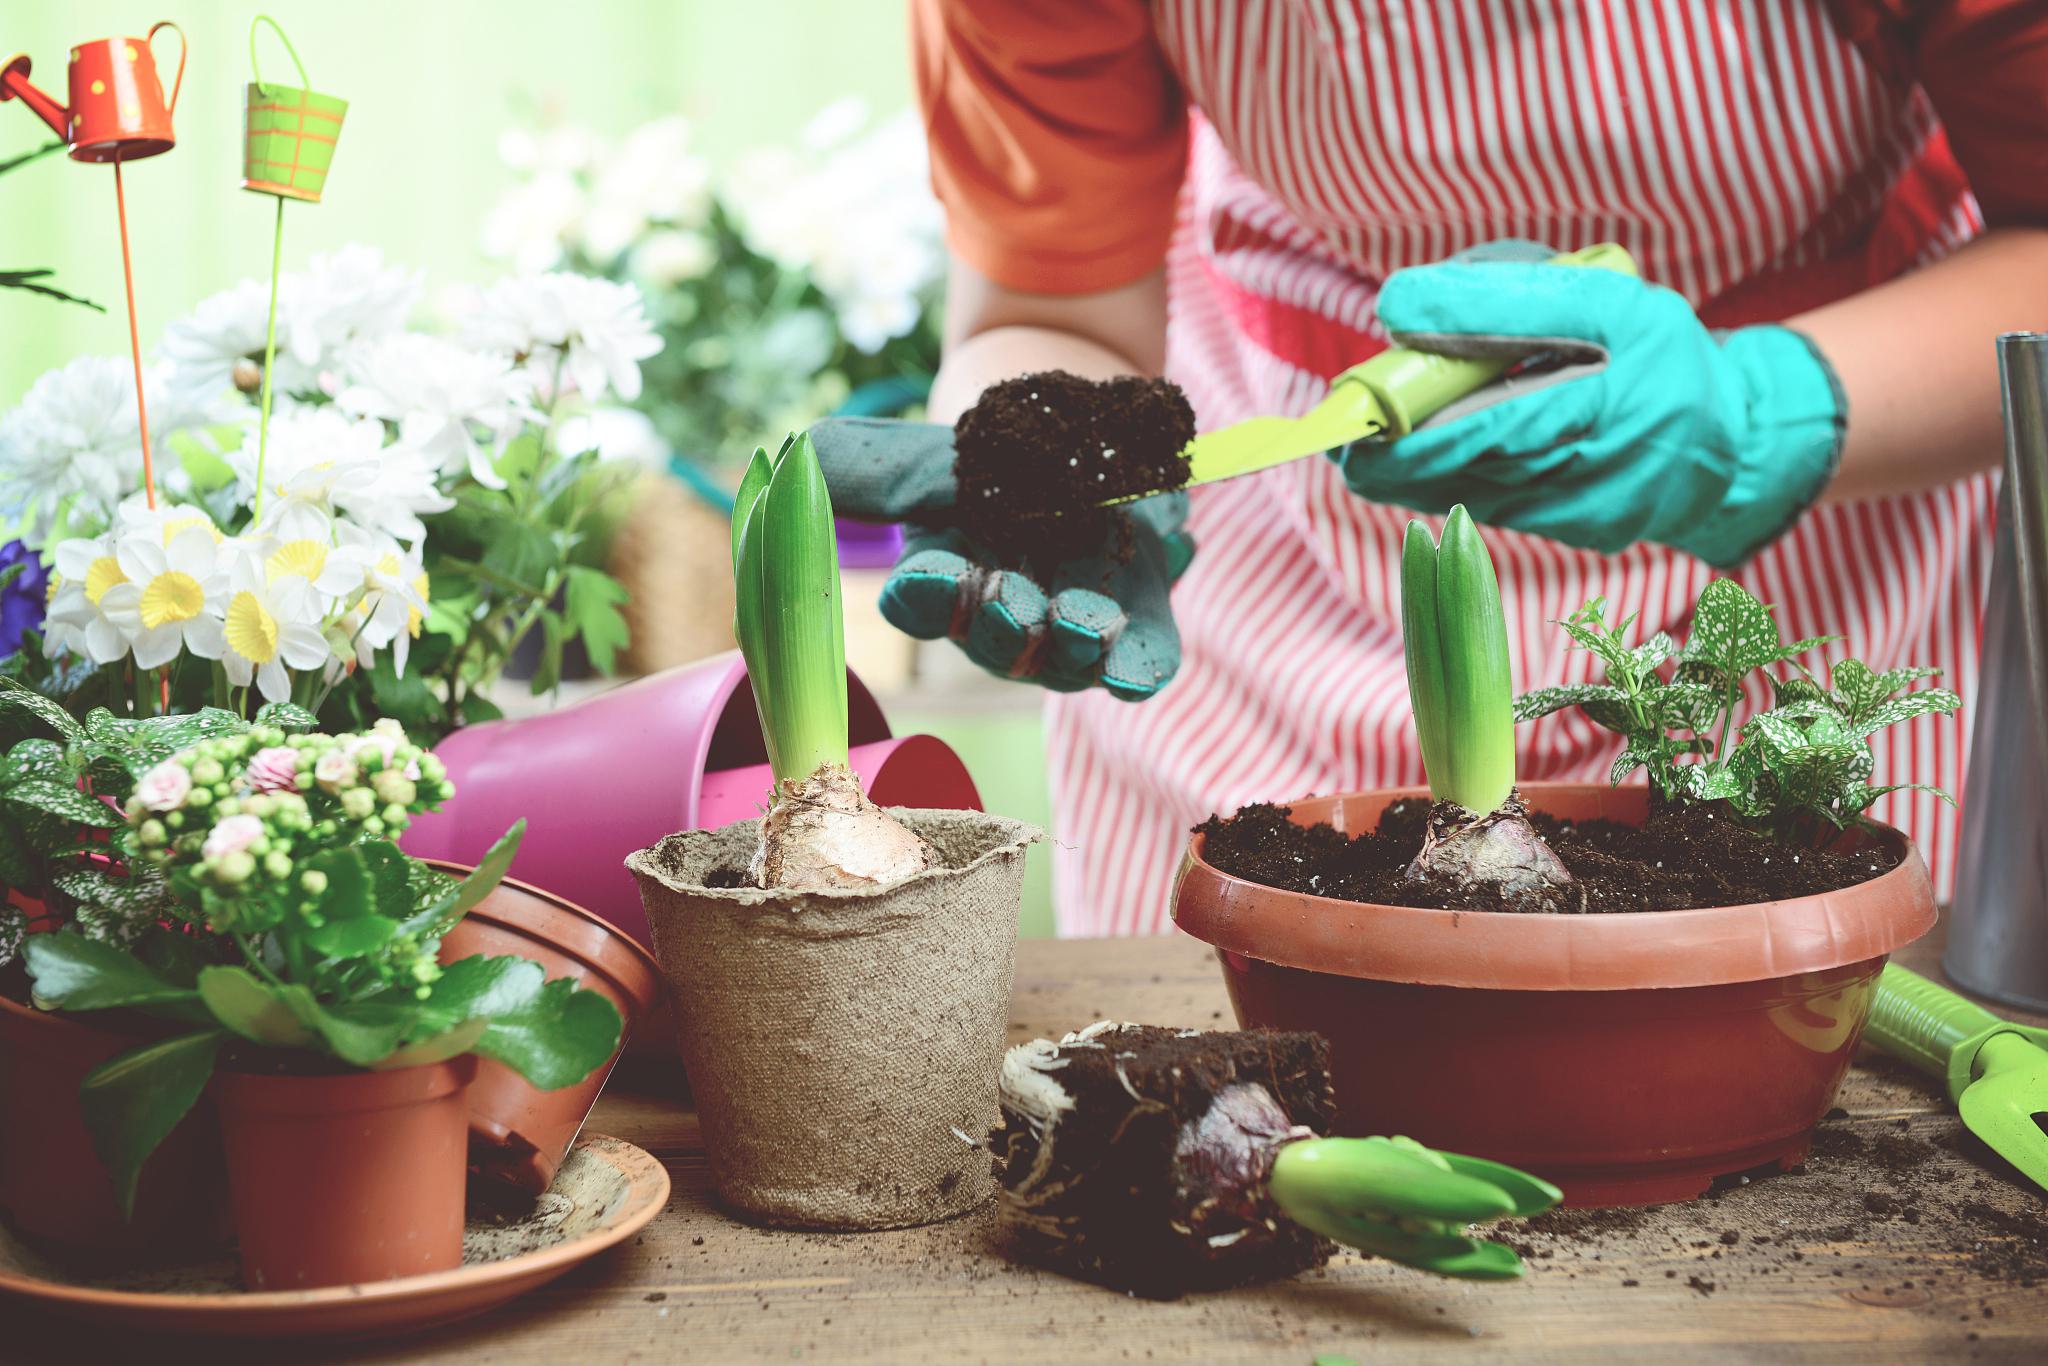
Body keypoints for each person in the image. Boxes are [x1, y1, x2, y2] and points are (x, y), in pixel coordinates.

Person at [818, 0, 2048, 935]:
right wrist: (1049, 449)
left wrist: (1761, 415)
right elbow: (1053, 300)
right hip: (1270, 566)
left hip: (1837, 512)